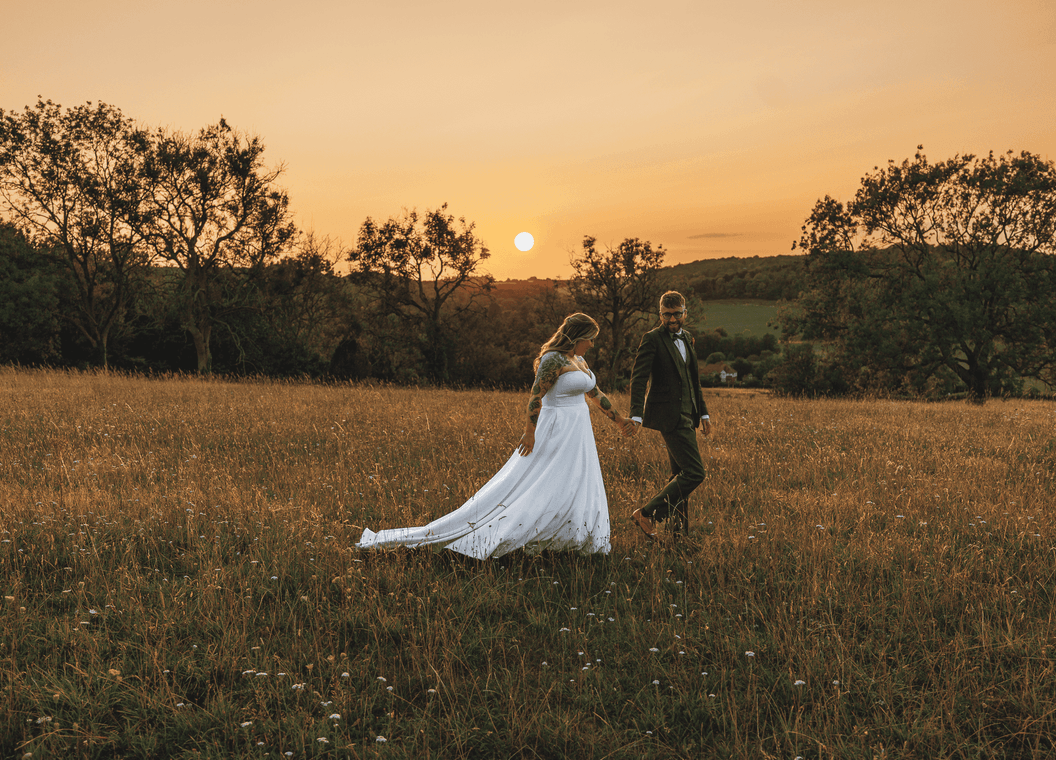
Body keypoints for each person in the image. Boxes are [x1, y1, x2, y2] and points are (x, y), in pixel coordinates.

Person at [355, 313, 631, 559]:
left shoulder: (579, 359)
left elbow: (595, 393)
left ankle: (569, 538)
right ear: (577, 336)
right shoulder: (552, 359)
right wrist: (529, 433)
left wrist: (619, 420)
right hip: (555, 427)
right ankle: (511, 533)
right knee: (540, 483)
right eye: (590, 339)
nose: (593, 345)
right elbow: (536, 397)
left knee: (575, 482)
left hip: (578, 431)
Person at [626, 291, 712, 540]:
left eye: (676, 314)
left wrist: (703, 413)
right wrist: (636, 414)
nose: (672, 319)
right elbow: (639, 377)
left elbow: (693, 380)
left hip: (689, 414)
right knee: (695, 473)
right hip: (668, 416)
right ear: (659, 314)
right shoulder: (652, 339)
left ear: (685, 312)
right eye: (666, 314)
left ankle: (679, 535)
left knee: (680, 476)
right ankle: (646, 513)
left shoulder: (688, 338)